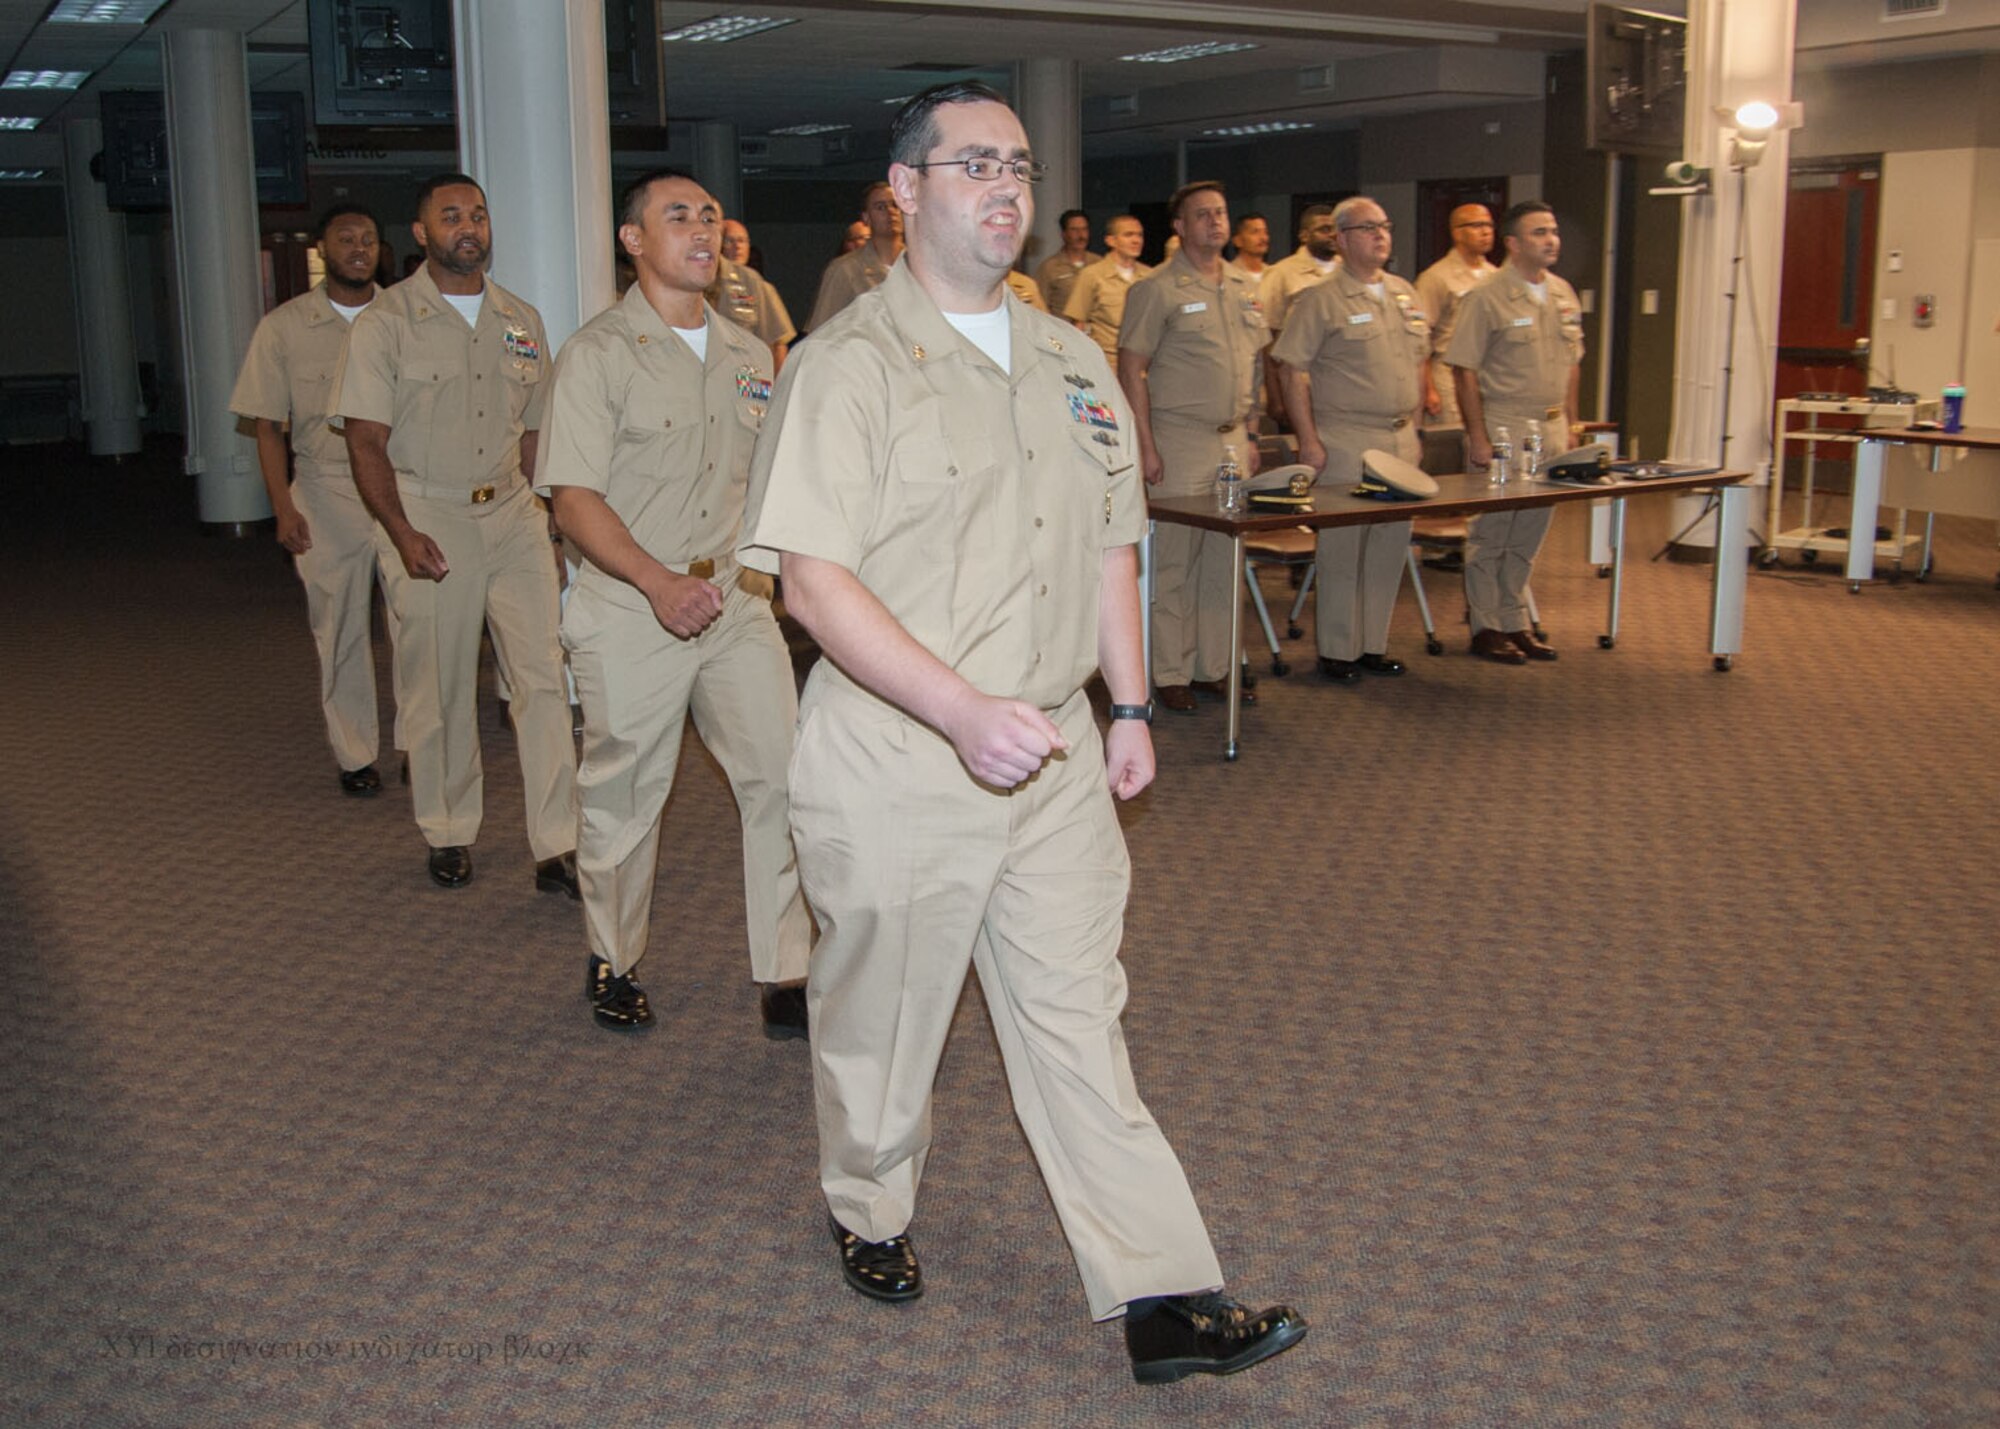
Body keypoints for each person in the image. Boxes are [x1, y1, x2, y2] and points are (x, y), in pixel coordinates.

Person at [738, 80, 1306, 1386]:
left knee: (1074, 1014)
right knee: (888, 1014)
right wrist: (958, 709)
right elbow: (815, 585)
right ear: (907, 191)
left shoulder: (1064, 357)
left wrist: (1124, 704)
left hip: (1050, 754)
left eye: (1017, 165)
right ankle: (870, 1202)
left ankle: (1163, 1289)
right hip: (899, 752)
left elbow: (1112, 541)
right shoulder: (848, 367)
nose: (1002, 186)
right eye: (971, 163)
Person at [536, 170, 811, 1037]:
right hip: (631, 604)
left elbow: (768, 485)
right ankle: (613, 956)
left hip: (733, 601)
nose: (703, 228)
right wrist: (657, 583)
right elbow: (571, 498)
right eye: (678, 215)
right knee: (626, 793)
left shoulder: (746, 352)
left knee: (782, 779)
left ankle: (787, 967)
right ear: (633, 241)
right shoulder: (598, 354)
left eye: (712, 215)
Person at [331, 172, 580, 891]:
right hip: (427, 515)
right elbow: (365, 443)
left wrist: (555, 526)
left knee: (541, 676)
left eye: (477, 214)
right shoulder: (386, 323)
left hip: (512, 514)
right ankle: (446, 827)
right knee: (437, 684)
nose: (467, 227)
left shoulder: (521, 319)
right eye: (450, 216)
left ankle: (557, 842)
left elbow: (536, 436)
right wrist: (401, 531)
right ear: (420, 234)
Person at [230, 204, 397, 796]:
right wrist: (284, 507)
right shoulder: (284, 327)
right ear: (323, 251)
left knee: (419, 626)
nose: (359, 247)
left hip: (405, 487)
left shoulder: (407, 317)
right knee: (341, 626)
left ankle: (422, 744)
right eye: (346, 239)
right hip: (326, 490)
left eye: (369, 238)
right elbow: (268, 427)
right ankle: (357, 755)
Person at [1116, 180, 1270, 714]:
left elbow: (1253, 366)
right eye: (1202, 215)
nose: (1215, 223)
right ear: (1179, 227)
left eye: (1221, 213)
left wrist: (1250, 433)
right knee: (1174, 564)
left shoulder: (1243, 287)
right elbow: (1131, 368)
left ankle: (1215, 666)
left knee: (1224, 563)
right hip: (1179, 441)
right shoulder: (1157, 289)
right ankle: (1170, 670)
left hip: (1231, 441)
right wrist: (1146, 445)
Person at [1271, 196, 1426, 681]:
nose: (1380, 235)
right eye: (1366, 228)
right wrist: (1308, 439)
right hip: (1347, 438)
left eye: (1384, 225)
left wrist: (1417, 429)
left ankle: (1371, 645)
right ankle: (1338, 650)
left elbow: (1418, 363)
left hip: (1401, 438)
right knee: (1344, 548)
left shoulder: (1404, 292)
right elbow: (1290, 368)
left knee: (1388, 546)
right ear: (1340, 240)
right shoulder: (1320, 299)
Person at [1444, 199, 1583, 664]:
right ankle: (1486, 626)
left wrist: (1573, 420)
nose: (1551, 240)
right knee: (1493, 533)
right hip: (1505, 425)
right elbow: (1464, 370)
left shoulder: (1563, 292)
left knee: (1529, 534)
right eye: (1539, 232)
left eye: (1554, 231)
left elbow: (1572, 363)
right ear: (1513, 243)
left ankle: (1514, 621)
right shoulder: (1487, 296)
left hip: (1551, 426)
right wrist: (1478, 435)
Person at [1414, 203, 1498, 427]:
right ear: (1457, 232)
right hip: (1448, 374)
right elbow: (1420, 338)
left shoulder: (1496, 276)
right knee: (1457, 440)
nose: (1486, 231)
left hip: (1489, 374)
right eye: (1477, 225)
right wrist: (1429, 388)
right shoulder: (1436, 277)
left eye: (1489, 225)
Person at [1257, 206, 1338, 428]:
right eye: (1323, 229)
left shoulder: (1347, 270)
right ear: (1304, 235)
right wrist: (1275, 396)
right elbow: (1267, 338)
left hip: (1341, 389)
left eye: (1334, 228)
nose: (1332, 234)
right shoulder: (1282, 273)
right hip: (1300, 385)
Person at [809, 181, 902, 329]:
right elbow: (821, 331)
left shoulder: (922, 266)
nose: (891, 212)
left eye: (895, 205)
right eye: (880, 207)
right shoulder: (845, 269)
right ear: (866, 218)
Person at [1062, 214, 1149, 362]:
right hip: (1108, 361)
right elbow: (1078, 325)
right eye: (1128, 235)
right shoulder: (1092, 275)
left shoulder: (1150, 276)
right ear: (1111, 240)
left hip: (1144, 362)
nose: (1136, 240)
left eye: (1139, 235)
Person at [714, 217, 797, 372]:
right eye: (729, 240)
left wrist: (775, 391)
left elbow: (777, 343)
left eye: (742, 241)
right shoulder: (701, 282)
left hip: (749, 376)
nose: (737, 246)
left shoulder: (757, 284)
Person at [1034, 207, 1094, 315]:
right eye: (1074, 230)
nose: (1081, 235)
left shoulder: (1099, 263)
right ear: (1064, 234)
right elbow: (1039, 307)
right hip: (1064, 328)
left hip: (1096, 329)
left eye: (1084, 229)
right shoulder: (1049, 267)